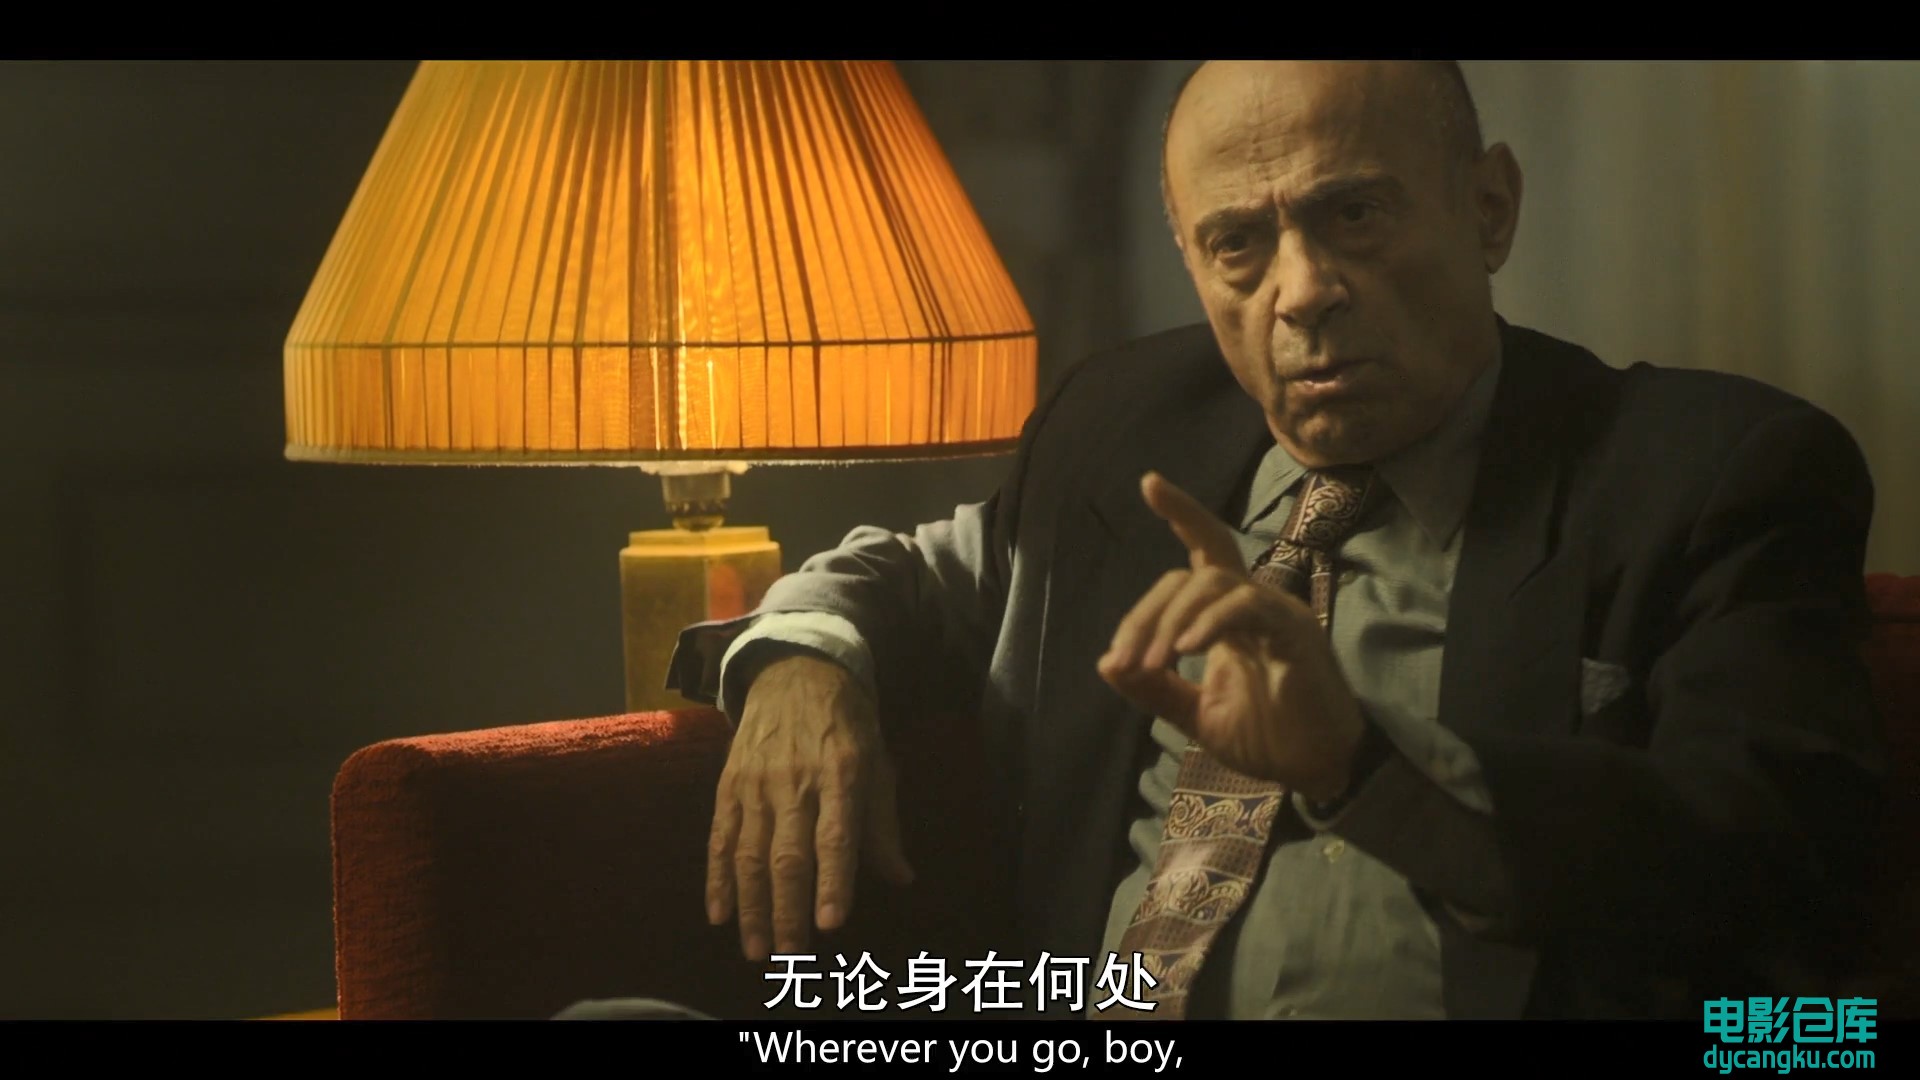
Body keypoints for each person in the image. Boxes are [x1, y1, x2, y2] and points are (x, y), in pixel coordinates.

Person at [564, 59, 1884, 1021]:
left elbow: (1769, 867)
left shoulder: (1709, 472)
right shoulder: (1126, 425)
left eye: (1355, 214)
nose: (1302, 292)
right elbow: (912, 574)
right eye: (1239, 245)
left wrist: (1362, 763)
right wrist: (802, 665)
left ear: (1489, 209)